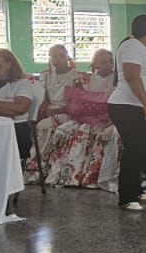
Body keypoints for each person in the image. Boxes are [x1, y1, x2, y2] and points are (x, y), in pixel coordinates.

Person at [106, 16, 146, 211]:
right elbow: (132, 77)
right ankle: (127, 197)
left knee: (139, 149)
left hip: (136, 106)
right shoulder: (131, 46)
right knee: (134, 150)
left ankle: (136, 190)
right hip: (127, 106)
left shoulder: (140, 48)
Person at [39, 49, 119, 189]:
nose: (108, 65)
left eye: (111, 62)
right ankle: (64, 176)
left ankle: (91, 177)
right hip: (86, 117)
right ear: (95, 64)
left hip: (109, 118)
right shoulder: (87, 79)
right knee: (63, 131)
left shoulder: (118, 79)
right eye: (103, 62)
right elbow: (79, 101)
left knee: (88, 133)